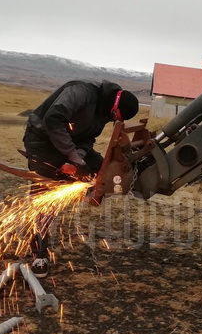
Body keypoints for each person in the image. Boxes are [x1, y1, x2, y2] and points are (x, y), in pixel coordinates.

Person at [23, 80, 140, 277]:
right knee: (47, 188)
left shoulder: (103, 111)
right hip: (41, 140)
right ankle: (39, 252)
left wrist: (82, 158)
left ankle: (81, 191)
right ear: (115, 103)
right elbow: (54, 119)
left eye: (114, 119)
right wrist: (74, 157)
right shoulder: (81, 92)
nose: (110, 119)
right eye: (113, 115)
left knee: (101, 169)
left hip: (70, 143)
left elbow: (88, 139)